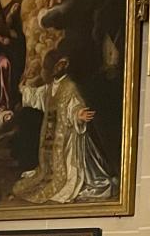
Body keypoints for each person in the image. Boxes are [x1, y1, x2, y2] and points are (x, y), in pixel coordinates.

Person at [13, 52, 115, 205]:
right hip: (51, 136)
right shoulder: (49, 88)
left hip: (68, 138)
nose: (56, 69)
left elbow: (75, 105)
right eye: (54, 67)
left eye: (60, 66)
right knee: (45, 170)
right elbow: (36, 97)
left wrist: (78, 114)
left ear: (63, 67)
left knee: (67, 170)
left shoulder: (70, 86)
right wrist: (24, 88)